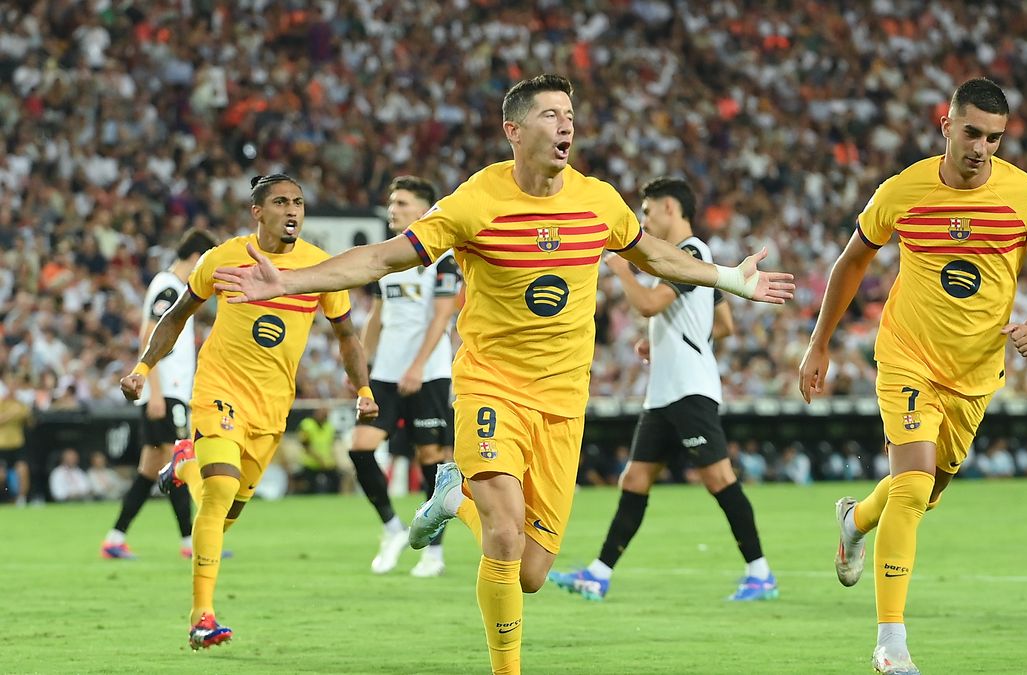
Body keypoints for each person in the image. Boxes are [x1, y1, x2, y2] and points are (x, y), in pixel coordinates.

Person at [211, 74, 793, 674]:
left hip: (564, 400)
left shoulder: (598, 201)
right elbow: (384, 256)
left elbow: (655, 256)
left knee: (534, 572)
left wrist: (729, 278)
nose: (566, 124)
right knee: (506, 535)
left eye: (569, 113)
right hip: (491, 386)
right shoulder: (474, 203)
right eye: (550, 114)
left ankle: (452, 494)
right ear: (514, 131)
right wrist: (290, 280)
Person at [798, 78, 1027, 675]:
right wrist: (819, 344)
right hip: (907, 355)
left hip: (975, 373)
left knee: (924, 494)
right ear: (944, 124)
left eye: (994, 138)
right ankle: (890, 645)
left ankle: (855, 519)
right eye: (971, 132)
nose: (981, 148)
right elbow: (852, 263)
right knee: (915, 484)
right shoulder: (903, 191)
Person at [119, 174, 378, 651]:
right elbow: (176, 315)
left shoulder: (320, 268)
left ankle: (185, 466)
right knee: (219, 491)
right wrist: (142, 367)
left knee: (224, 511)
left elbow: (345, 334)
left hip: (271, 409)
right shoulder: (222, 258)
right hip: (220, 390)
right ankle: (202, 616)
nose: (292, 210)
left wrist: (362, 387)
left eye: (298, 202)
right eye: (281, 201)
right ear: (257, 211)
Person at [547, 176, 777, 603]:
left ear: (671, 208)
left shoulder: (689, 254)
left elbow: (648, 304)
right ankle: (598, 574)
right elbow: (722, 324)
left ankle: (761, 574)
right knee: (634, 479)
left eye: (648, 211)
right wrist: (665, 339)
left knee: (719, 478)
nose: (644, 219)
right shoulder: (697, 262)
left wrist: (620, 269)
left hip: (689, 389)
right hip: (666, 392)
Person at [349, 175, 462, 577]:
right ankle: (392, 528)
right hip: (385, 373)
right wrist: (360, 366)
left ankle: (434, 551)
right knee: (360, 448)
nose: (392, 209)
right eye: (391, 202)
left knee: (432, 459)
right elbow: (378, 317)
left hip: (428, 374)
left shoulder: (443, 258)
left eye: (401, 202)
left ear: (424, 210)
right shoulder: (389, 257)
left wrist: (417, 366)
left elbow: (443, 316)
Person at [101, 228, 218, 560]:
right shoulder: (169, 287)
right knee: (181, 461)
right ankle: (190, 544)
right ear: (197, 258)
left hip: (168, 392)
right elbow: (148, 336)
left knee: (150, 470)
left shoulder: (176, 287)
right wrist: (152, 392)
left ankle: (114, 538)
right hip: (165, 393)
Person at [0, 371, 32, 506]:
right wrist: (13, 412)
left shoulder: (21, 404)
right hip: (2, 444)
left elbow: (30, 422)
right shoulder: (3, 403)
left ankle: (21, 500)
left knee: (23, 470)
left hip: (18, 443)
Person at [295, 407, 341, 494]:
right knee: (309, 488)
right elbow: (305, 445)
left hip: (326, 463)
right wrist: (319, 459)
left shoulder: (329, 426)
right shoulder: (307, 424)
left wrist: (334, 460)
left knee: (336, 482)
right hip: (310, 463)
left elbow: (331, 445)